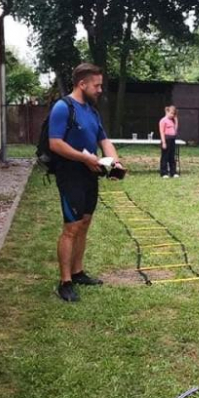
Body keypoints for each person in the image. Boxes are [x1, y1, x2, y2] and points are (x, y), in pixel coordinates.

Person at [48, 63, 124, 303]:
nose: (100, 89)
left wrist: (115, 162)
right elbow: (55, 143)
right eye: (97, 85)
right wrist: (84, 157)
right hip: (70, 175)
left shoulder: (92, 111)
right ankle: (65, 282)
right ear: (82, 84)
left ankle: (78, 272)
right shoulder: (63, 107)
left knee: (85, 223)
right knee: (71, 228)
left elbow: (104, 140)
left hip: (90, 175)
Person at [159, 105, 179, 178]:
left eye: (173, 114)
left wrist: (176, 121)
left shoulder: (172, 121)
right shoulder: (163, 120)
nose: (172, 115)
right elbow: (162, 132)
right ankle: (164, 172)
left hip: (172, 139)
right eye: (171, 113)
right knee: (165, 157)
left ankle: (173, 172)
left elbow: (175, 130)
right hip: (166, 139)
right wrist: (163, 142)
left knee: (172, 156)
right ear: (167, 112)